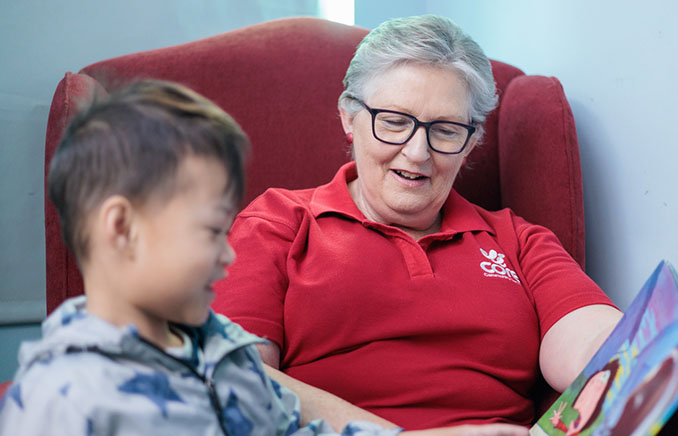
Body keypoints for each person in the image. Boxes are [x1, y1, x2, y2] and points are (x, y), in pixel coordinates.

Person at [211, 14, 678, 431]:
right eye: (394, 122)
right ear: (349, 117)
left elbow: (603, 354)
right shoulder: (278, 221)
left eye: (446, 129)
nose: (417, 153)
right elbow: (234, 382)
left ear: (473, 141)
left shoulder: (517, 240)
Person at [0, 80, 528, 436]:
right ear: (121, 231)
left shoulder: (227, 358)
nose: (231, 248)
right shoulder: (64, 384)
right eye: (208, 231)